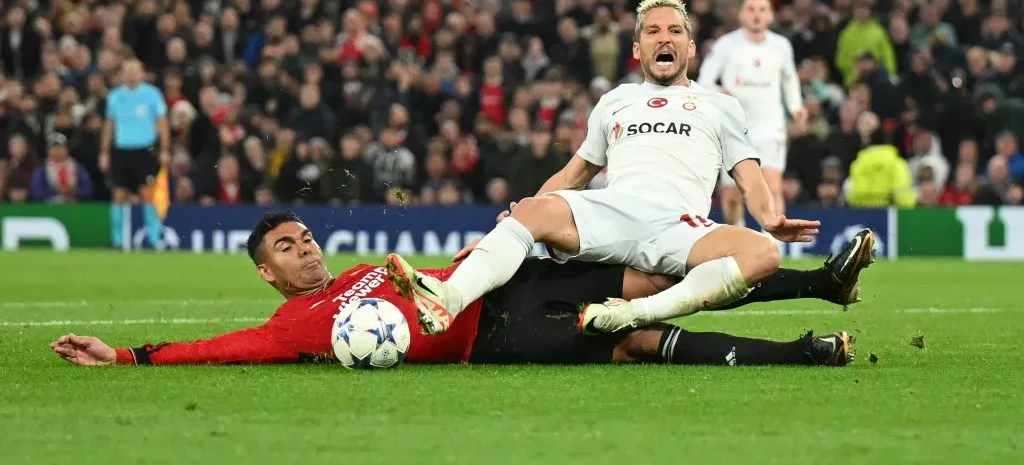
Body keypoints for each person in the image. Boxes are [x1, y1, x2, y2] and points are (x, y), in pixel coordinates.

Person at [384, 0, 827, 338]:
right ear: (637, 48)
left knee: (764, 253)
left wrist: (769, 218)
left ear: (691, 46)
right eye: (653, 31)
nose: (664, 38)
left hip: (680, 226)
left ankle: (633, 315)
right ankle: (448, 298)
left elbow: (748, 175)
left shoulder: (718, 105)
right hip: (613, 211)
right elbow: (575, 174)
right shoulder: (615, 101)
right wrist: (517, 220)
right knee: (533, 209)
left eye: (675, 30)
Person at [50, 211, 859, 368]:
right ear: (268, 272)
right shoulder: (293, 326)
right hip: (490, 338)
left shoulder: (369, 269)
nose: (307, 251)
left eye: (305, 237)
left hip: (504, 285)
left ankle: (823, 283)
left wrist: (480, 252)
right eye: (288, 248)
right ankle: (802, 353)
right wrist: (126, 354)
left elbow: (437, 276)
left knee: (662, 277)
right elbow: (219, 348)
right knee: (633, 337)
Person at [697, 0, 806, 229]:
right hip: (733, 126)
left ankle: (773, 245)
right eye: (751, 9)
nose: (756, 14)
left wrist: (796, 107)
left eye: (762, 9)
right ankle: (740, 238)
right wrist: (718, 91)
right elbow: (704, 79)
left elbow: (789, 79)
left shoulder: (781, 46)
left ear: (770, 15)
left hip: (769, 123)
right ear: (741, 14)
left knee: (772, 184)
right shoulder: (726, 45)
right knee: (732, 193)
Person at [98, 59, 170, 248]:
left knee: (147, 193)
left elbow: (162, 123)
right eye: (127, 71)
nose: (131, 74)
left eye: (135, 70)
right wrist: (104, 152)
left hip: (145, 149)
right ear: (122, 74)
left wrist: (164, 149)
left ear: (142, 73)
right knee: (119, 194)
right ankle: (117, 240)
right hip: (121, 150)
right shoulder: (114, 96)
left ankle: (154, 239)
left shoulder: (152, 94)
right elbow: (109, 125)